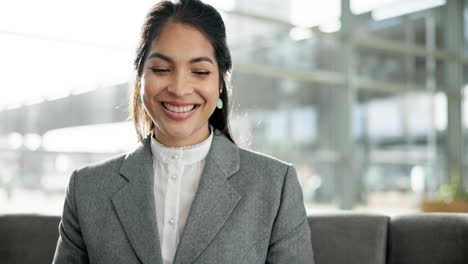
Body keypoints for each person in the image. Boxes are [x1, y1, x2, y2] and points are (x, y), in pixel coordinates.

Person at [52, 0, 314, 263]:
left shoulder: (275, 186)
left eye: (200, 71)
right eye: (162, 69)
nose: (179, 88)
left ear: (220, 83)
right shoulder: (86, 189)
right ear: (140, 78)